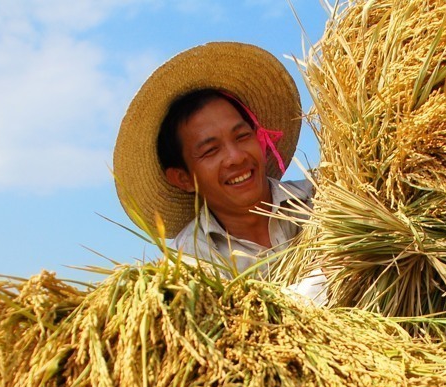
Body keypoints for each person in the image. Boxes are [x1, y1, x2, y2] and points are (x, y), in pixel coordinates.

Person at [113, 41, 325, 304]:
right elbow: (249, 325)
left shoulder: (322, 199)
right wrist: (325, 276)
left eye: (242, 136)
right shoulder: (190, 264)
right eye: (211, 151)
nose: (235, 157)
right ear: (184, 178)